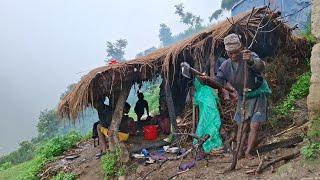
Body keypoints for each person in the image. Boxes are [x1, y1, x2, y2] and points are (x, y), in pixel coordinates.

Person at [199, 33, 271, 159]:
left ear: (241, 48)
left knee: (255, 124)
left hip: (258, 94)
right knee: (242, 125)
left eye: (236, 52)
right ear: (227, 52)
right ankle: (238, 151)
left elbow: (260, 67)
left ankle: (248, 151)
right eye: (230, 53)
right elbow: (218, 83)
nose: (233, 55)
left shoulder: (249, 55)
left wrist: (251, 61)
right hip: (243, 97)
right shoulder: (225, 66)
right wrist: (207, 80)